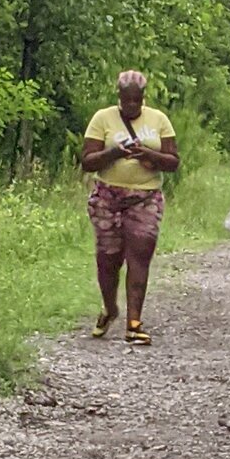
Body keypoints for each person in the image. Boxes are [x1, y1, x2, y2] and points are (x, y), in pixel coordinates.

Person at [80, 68, 179, 343]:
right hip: (107, 198)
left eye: (137, 99)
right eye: (127, 99)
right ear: (119, 96)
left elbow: (173, 161)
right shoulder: (102, 118)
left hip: (145, 197)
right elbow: (87, 161)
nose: (132, 104)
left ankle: (134, 323)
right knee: (108, 259)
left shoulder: (159, 119)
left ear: (143, 97)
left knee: (140, 255)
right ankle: (110, 308)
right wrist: (114, 153)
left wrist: (148, 155)